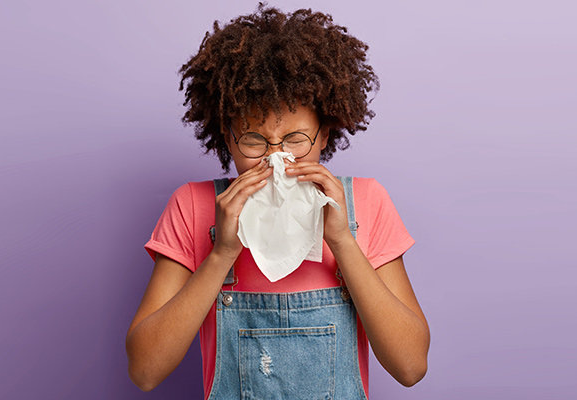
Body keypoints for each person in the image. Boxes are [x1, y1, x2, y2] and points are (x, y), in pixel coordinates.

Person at [126, 4, 429, 398]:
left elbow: (410, 366)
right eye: (254, 140)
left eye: (295, 140)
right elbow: (145, 371)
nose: (275, 158)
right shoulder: (193, 206)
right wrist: (221, 254)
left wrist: (342, 240)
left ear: (324, 134)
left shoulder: (366, 202)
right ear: (228, 137)